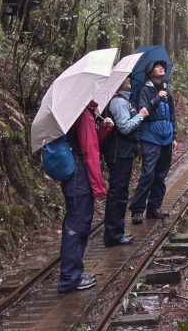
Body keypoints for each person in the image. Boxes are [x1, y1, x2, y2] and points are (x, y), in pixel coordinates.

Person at [58, 100, 111, 293]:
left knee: (76, 223)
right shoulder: (84, 116)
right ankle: (70, 277)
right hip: (80, 177)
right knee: (77, 225)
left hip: (75, 174)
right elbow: (90, 152)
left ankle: (73, 273)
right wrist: (98, 186)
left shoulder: (79, 113)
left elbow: (88, 143)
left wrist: (102, 129)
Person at [100, 75, 149, 246]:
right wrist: (140, 116)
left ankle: (115, 232)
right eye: (125, 77)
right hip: (119, 153)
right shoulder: (119, 102)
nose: (129, 79)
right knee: (118, 193)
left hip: (123, 152)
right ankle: (113, 235)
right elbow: (124, 127)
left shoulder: (122, 100)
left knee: (119, 192)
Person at [129, 60, 176, 224]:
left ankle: (154, 208)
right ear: (150, 72)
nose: (161, 68)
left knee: (161, 175)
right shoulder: (145, 90)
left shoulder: (167, 88)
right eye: (157, 66)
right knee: (148, 174)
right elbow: (144, 111)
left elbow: (172, 114)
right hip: (150, 136)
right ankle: (137, 210)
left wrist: (174, 136)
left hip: (166, 136)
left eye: (162, 66)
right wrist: (157, 98)